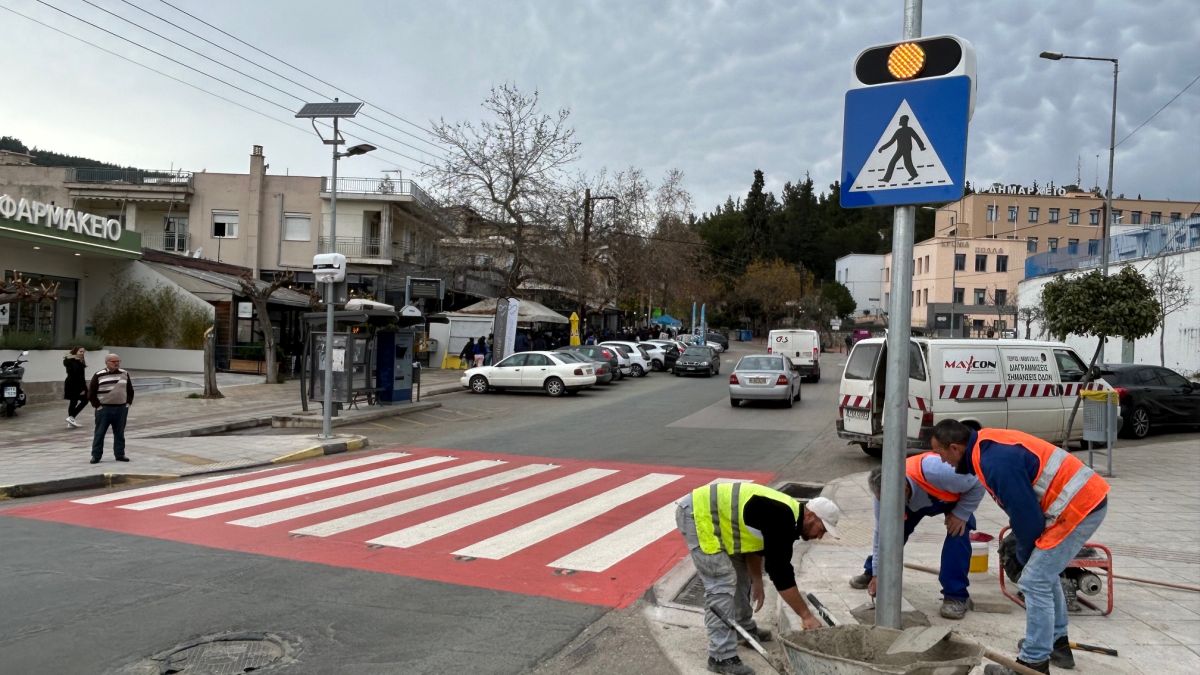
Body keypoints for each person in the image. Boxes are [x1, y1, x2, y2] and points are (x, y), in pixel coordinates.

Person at [930, 420, 1109, 674]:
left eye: (940, 454)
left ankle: (1032, 663)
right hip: (1079, 501)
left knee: (1034, 580)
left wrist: (1026, 550)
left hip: (1078, 506)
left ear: (955, 448)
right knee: (1044, 575)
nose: (942, 461)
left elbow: (1027, 517)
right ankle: (1056, 644)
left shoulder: (993, 461)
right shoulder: (985, 446)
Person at [676, 483, 842, 675]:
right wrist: (806, 615)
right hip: (699, 515)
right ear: (810, 516)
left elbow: (755, 546)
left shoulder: (789, 516)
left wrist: (757, 580)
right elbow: (780, 573)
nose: (820, 536)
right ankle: (720, 656)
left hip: (720, 522)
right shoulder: (783, 517)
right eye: (821, 529)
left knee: (741, 578)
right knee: (721, 583)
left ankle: (742, 629)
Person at [849, 454, 984, 619]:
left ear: (904, 489)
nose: (887, 505)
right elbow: (882, 535)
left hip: (950, 499)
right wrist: (878, 573)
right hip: (913, 502)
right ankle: (873, 572)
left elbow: (978, 481)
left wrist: (961, 513)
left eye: (890, 502)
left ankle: (955, 596)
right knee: (893, 534)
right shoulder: (883, 495)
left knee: (958, 536)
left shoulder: (940, 471)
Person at [87, 353, 134, 464]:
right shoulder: (98, 375)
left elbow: (130, 390)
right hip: (104, 409)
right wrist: (98, 406)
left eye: (118, 361)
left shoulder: (125, 373)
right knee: (99, 433)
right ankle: (96, 456)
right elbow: (91, 393)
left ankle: (120, 454)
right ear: (107, 362)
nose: (116, 363)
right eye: (113, 361)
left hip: (121, 409)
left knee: (119, 433)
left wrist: (128, 403)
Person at [63, 346, 89, 429]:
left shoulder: (75, 360)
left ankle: (71, 421)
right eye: (80, 351)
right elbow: (78, 375)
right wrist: (82, 388)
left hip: (73, 383)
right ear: (75, 352)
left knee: (73, 402)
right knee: (84, 400)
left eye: (83, 352)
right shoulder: (74, 361)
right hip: (74, 384)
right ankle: (71, 418)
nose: (82, 353)